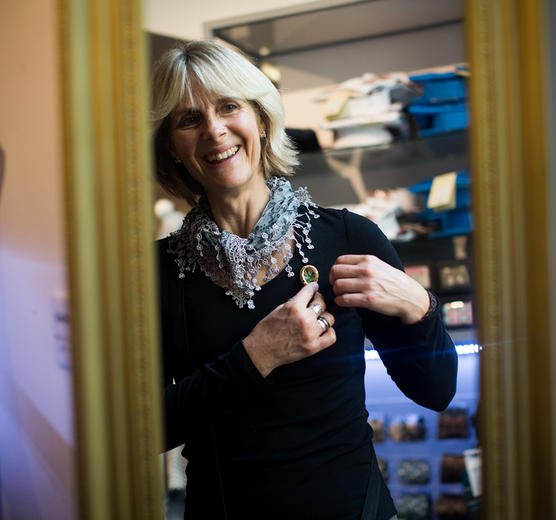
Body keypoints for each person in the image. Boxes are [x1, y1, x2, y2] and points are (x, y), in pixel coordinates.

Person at [152, 40, 458, 520]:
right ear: (171, 146)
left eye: (229, 107)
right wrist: (256, 356)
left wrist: (422, 307)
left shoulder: (349, 236)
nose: (214, 130)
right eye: (190, 119)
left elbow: (437, 392)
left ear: (261, 119)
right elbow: (144, 430)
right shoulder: (161, 273)